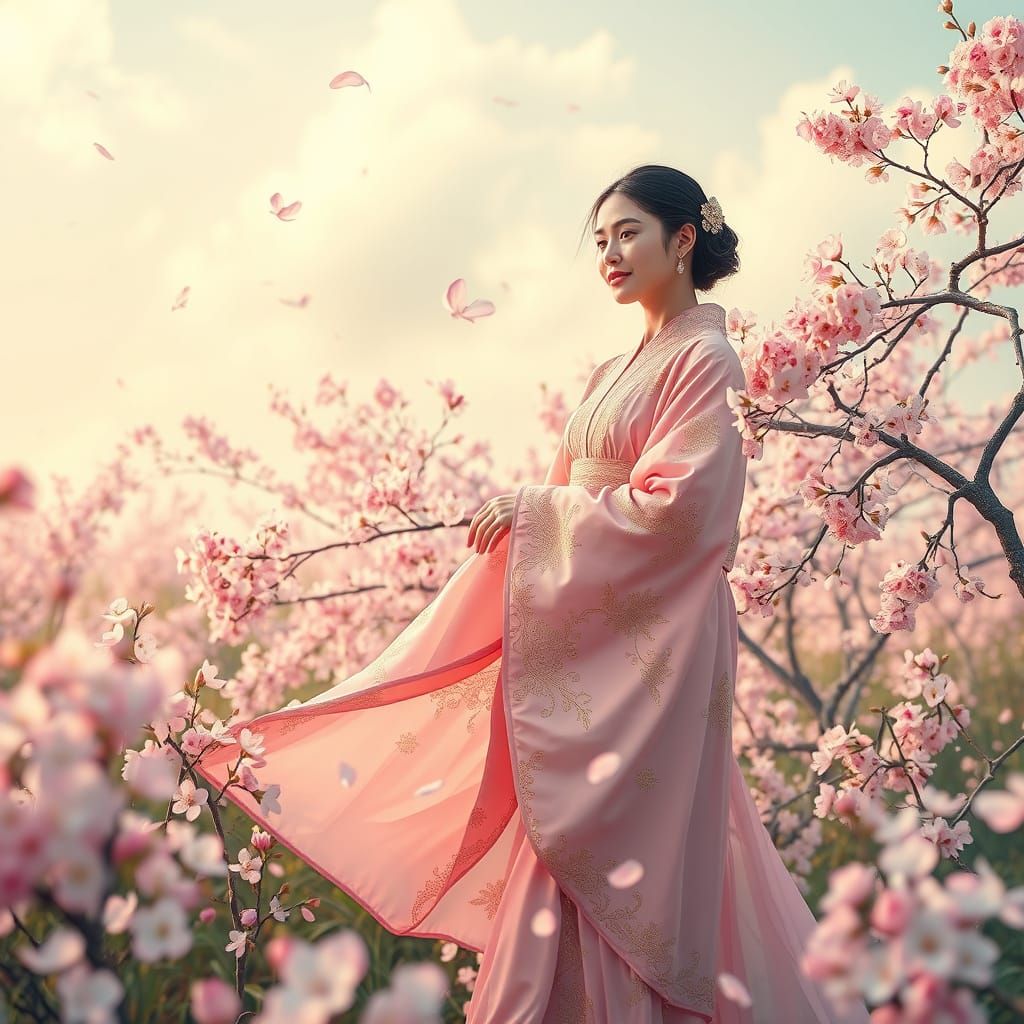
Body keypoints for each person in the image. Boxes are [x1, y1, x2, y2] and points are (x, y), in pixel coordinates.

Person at [196, 164, 871, 1023]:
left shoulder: (710, 358)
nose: (610, 254)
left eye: (628, 234)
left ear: (683, 239)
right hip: (593, 631)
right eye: (601, 240)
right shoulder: (610, 371)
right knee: (560, 821)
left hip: (657, 639)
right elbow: (562, 499)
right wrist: (532, 521)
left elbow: (685, 514)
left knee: (620, 836)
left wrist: (538, 510)